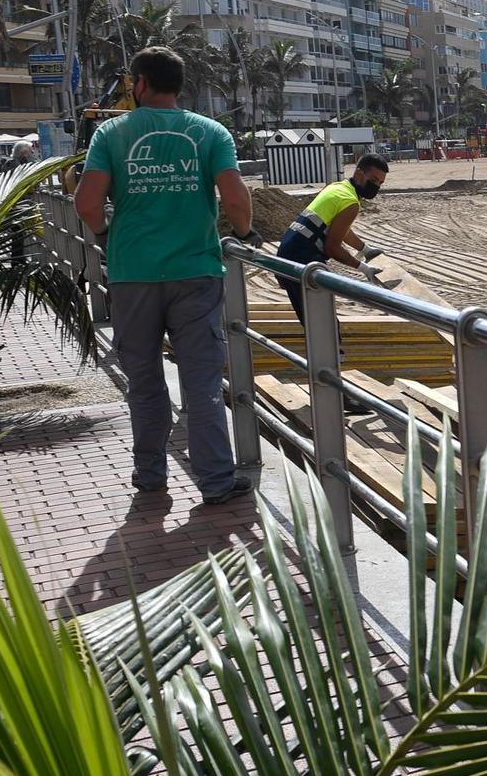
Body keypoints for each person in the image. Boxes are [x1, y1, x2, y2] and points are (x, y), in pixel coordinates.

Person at [76, 46, 255, 505]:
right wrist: (245, 234)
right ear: (178, 85)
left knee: (144, 380)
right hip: (195, 271)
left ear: (138, 84)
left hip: (131, 273)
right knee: (201, 381)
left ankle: (150, 474)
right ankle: (215, 480)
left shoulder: (111, 133)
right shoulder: (210, 131)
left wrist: (104, 233)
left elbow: (87, 204)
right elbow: (236, 200)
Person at [274, 153, 391, 323]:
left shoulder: (337, 187)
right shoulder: (350, 202)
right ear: (359, 173)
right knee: (322, 323)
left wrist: (365, 249)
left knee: (316, 321)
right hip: (302, 259)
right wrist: (363, 268)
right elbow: (332, 248)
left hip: (287, 254)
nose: (376, 186)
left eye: (380, 183)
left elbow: (341, 230)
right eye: (373, 180)